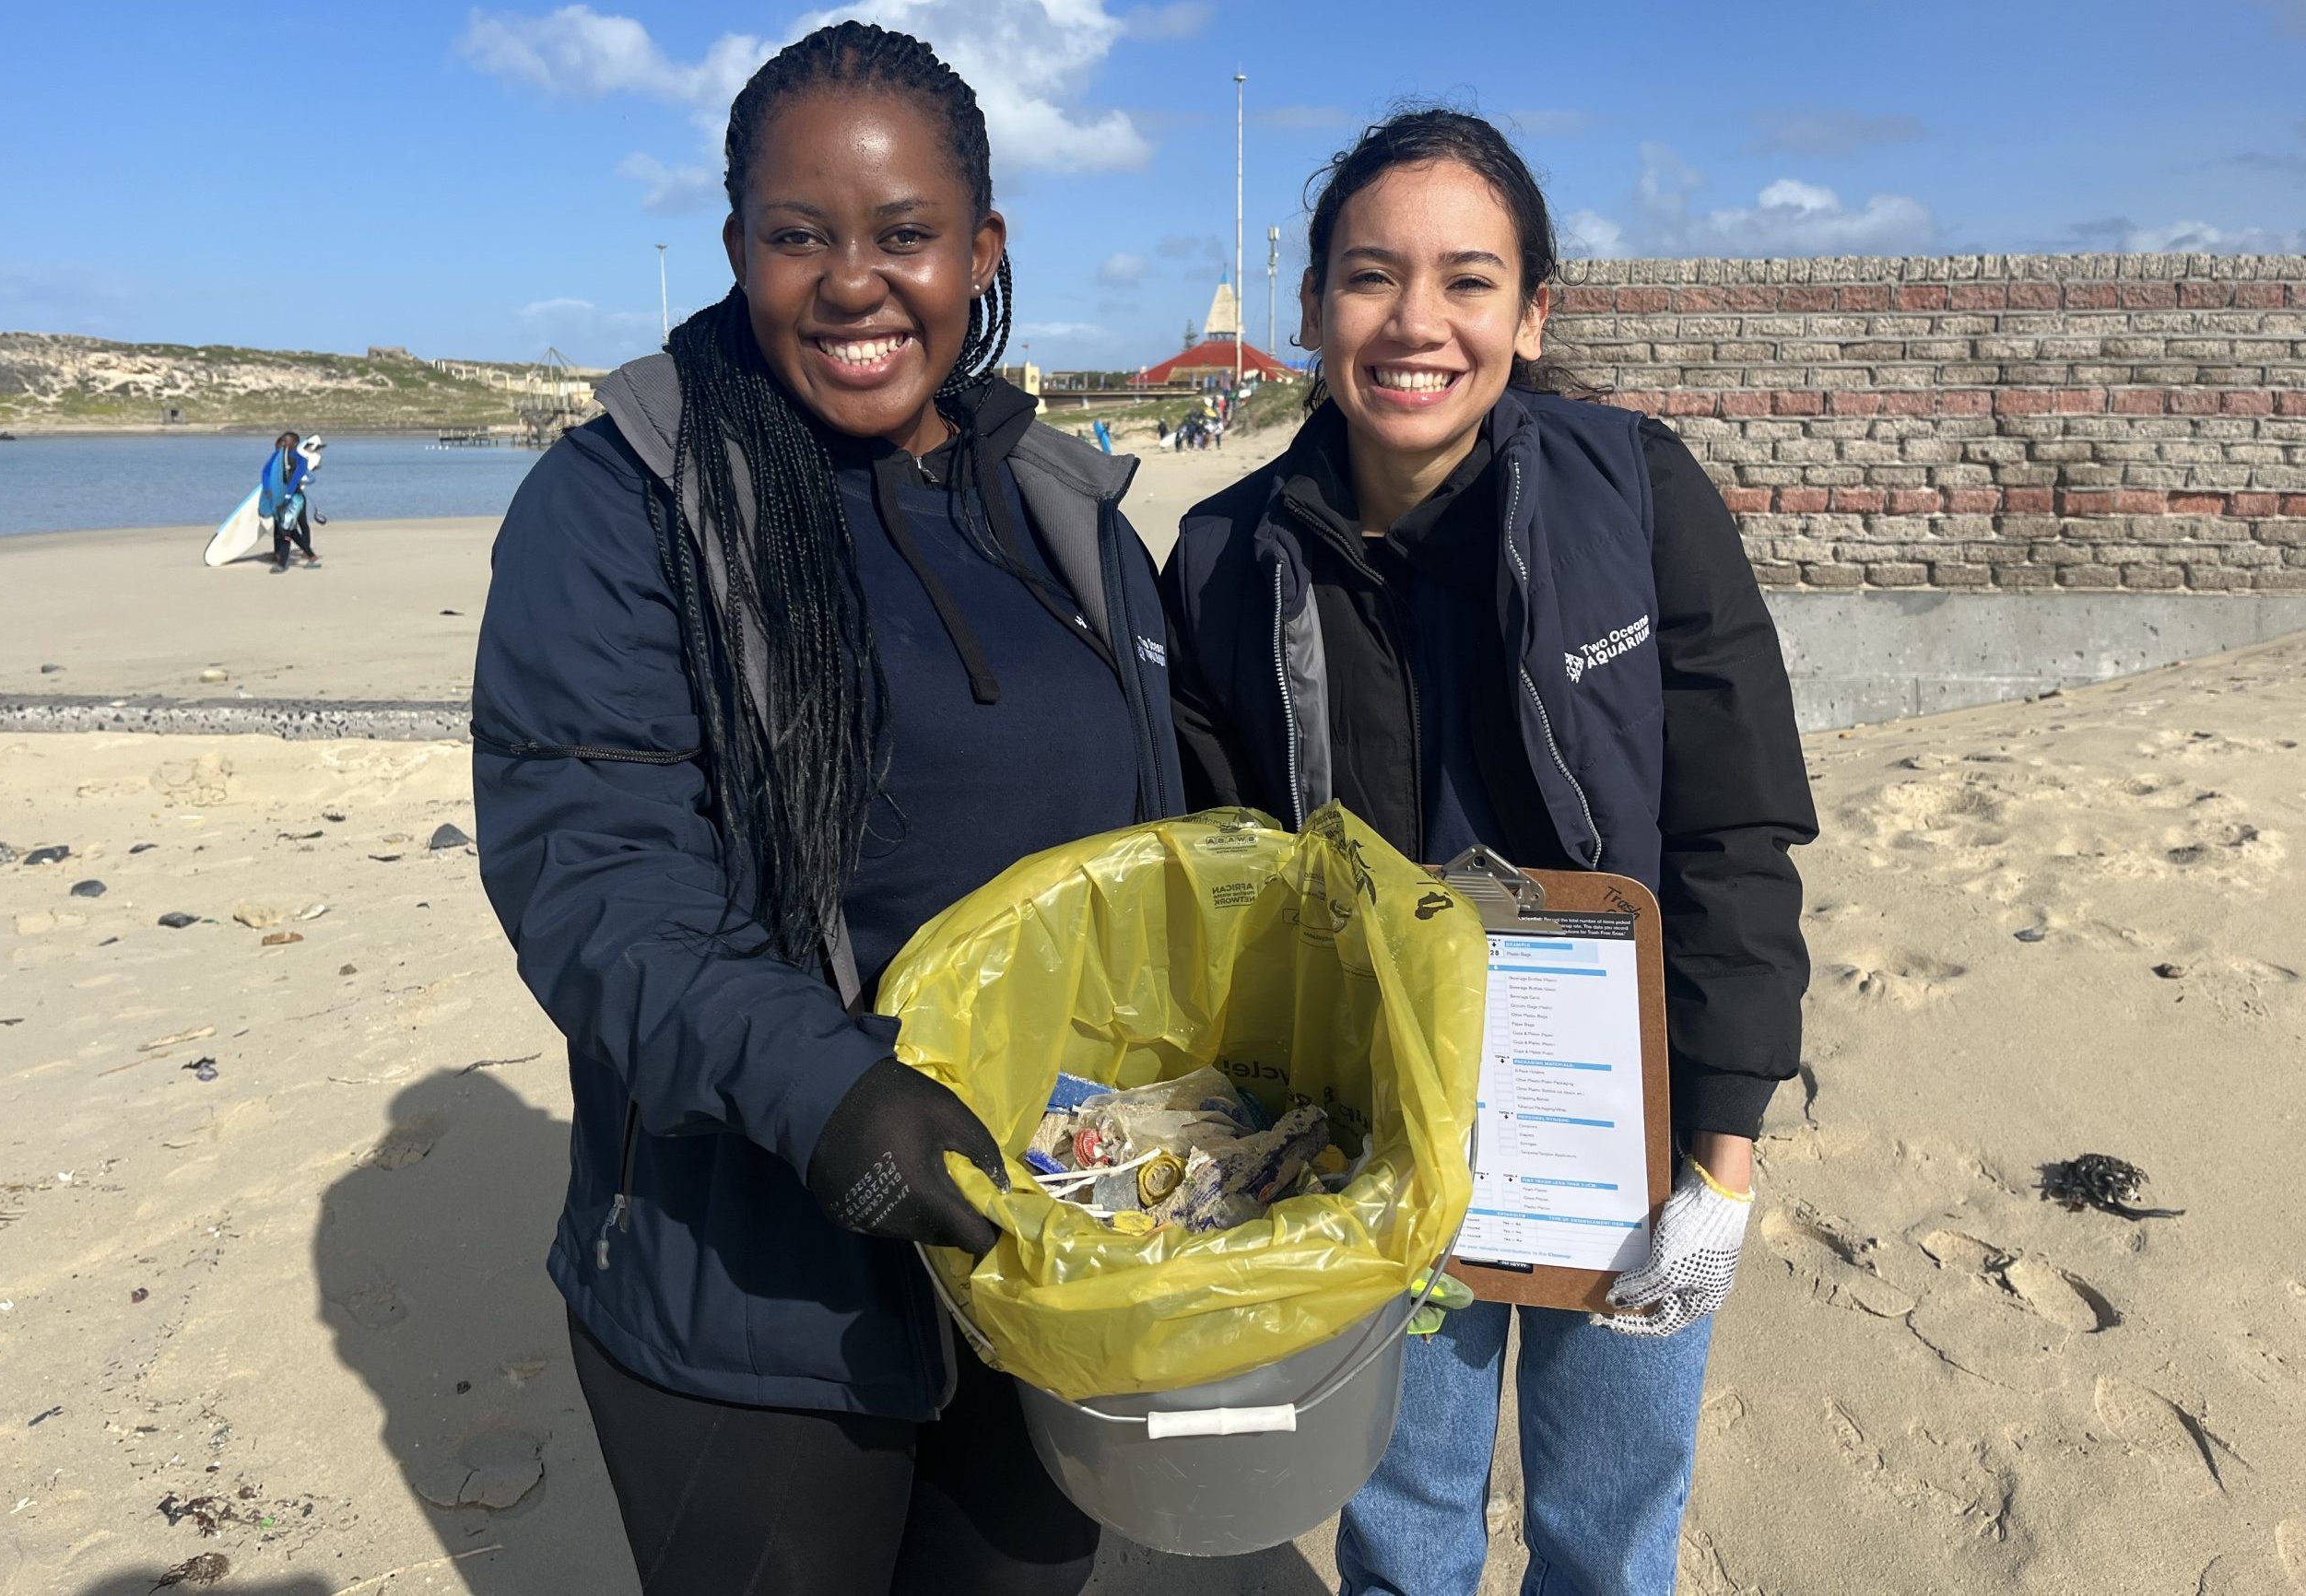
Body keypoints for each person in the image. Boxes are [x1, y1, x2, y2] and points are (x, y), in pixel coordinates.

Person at [469, 22, 1181, 1595]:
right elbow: (595, 882)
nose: (854, 283)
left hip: (1044, 1256)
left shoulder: (1061, 509)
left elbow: (1178, 847)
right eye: (801, 238)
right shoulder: (622, 503)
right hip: (754, 1293)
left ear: (983, 249)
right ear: (738, 252)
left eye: (905, 234)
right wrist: (835, 1096)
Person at [1160, 110, 1818, 1596]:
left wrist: (1723, 1147)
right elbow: (1221, 872)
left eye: (1468, 280)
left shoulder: (1639, 492)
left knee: (1608, 1528)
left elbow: (1734, 827)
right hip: (1376, 1131)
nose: (1417, 323)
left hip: (1625, 1131)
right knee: (1403, 1528)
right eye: (1370, 276)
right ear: (1314, 305)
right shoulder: (1220, 557)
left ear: (1530, 315)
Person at [258, 429, 318, 570]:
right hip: (279, 498)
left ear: (295, 443)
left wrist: (288, 495)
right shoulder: (276, 457)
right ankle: (311, 555)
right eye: (283, 441)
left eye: (286, 441)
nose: (283, 443)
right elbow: (266, 472)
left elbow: (295, 479)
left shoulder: (301, 460)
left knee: (287, 529)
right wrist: (267, 489)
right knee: (290, 531)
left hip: (295, 498)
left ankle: (282, 564)